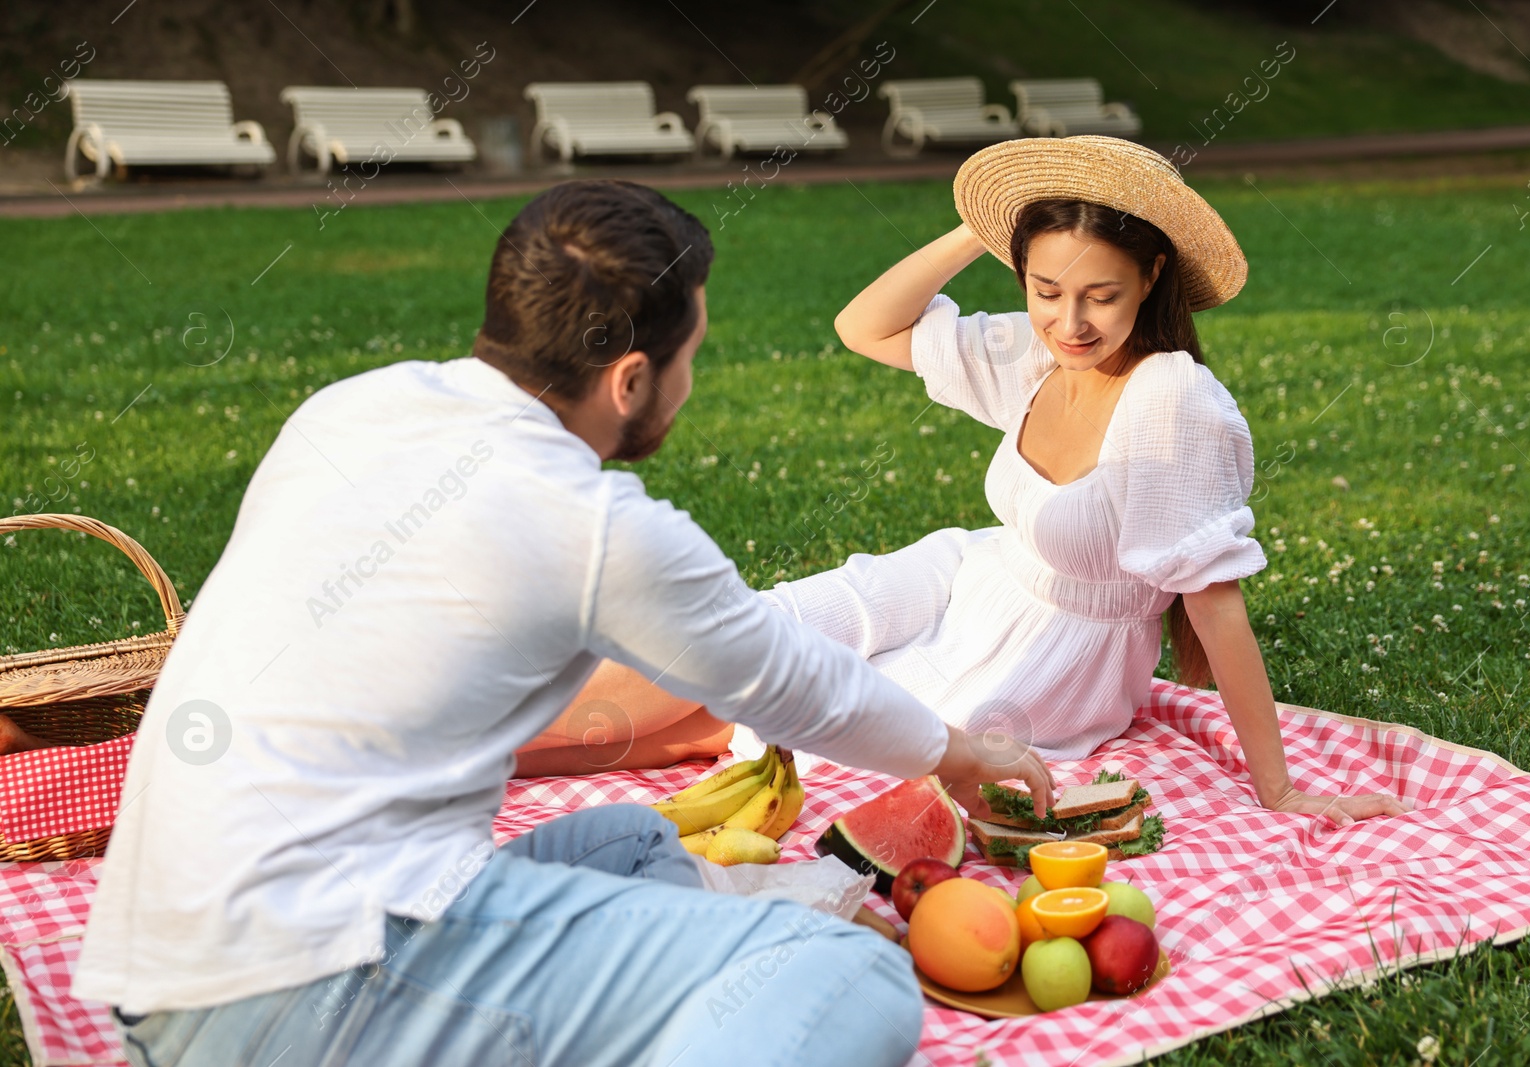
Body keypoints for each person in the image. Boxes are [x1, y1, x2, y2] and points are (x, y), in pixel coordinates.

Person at [73, 179, 1052, 1067]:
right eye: (690, 357)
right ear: (629, 380)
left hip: (156, 968)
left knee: (628, 846)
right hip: (301, 993)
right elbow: (791, 680)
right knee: (848, 974)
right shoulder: (588, 527)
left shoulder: (348, 409)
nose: (689, 381)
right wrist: (956, 749)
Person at [549, 138, 1407, 828]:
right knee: (754, 633)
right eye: (1045, 289)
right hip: (966, 573)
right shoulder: (1032, 352)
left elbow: (1216, 604)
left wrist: (1281, 789)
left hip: (1058, 655)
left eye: (1101, 296)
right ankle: (449, 735)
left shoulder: (1172, 402)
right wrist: (983, 226)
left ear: (1152, 279)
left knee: (750, 720)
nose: (1071, 323)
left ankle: (464, 742)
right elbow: (863, 326)